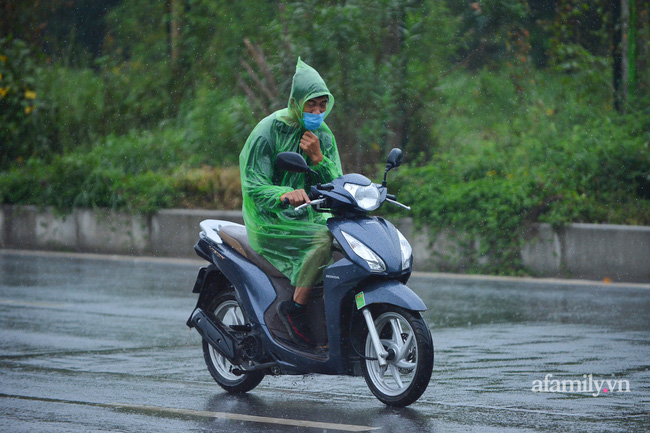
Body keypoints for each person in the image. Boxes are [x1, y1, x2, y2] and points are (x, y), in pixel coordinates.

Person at [239, 58, 342, 348]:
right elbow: (253, 184)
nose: (317, 112)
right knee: (323, 239)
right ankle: (294, 310)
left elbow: (337, 183)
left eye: (322, 106)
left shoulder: (322, 136)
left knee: (346, 240)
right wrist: (283, 194)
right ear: (296, 102)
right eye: (311, 105)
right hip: (270, 219)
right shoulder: (267, 131)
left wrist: (318, 158)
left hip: (308, 214)